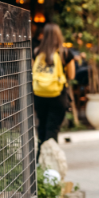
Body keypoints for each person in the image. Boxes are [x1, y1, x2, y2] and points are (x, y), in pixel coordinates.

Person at [32, 23, 75, 157]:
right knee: (53, 128)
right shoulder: (65, 53)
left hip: (39, 95)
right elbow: (71, 75)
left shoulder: (37, 52)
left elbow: (34, 72)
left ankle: (40, 159)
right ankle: (50, 164)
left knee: (42, 126)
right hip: (58, 96)